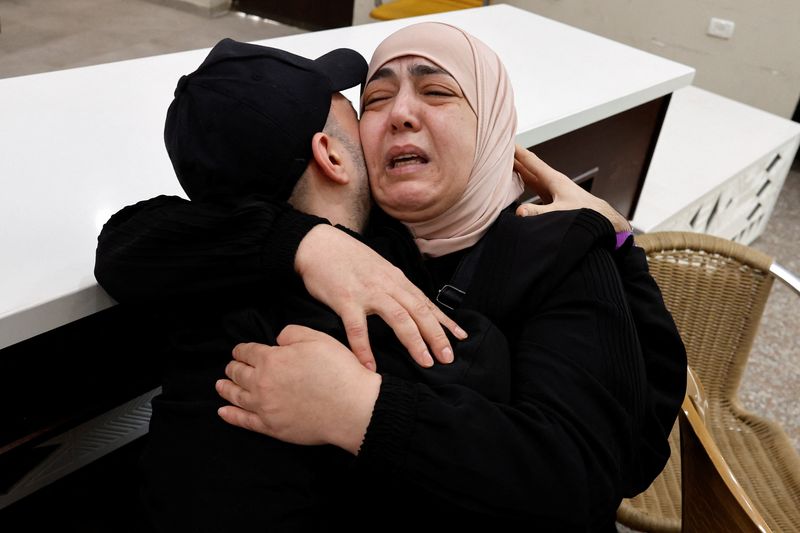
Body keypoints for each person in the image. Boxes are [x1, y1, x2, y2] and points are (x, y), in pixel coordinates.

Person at [95, 27, 685, 533]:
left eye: (437, 91)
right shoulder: (334, 232)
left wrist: (617, 244)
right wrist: (306, 243)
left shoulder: (556, 248)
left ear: (492, 123)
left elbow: (601, 469)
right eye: (373, 100)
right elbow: (127, 241)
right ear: (336, 155)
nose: (400, 112)